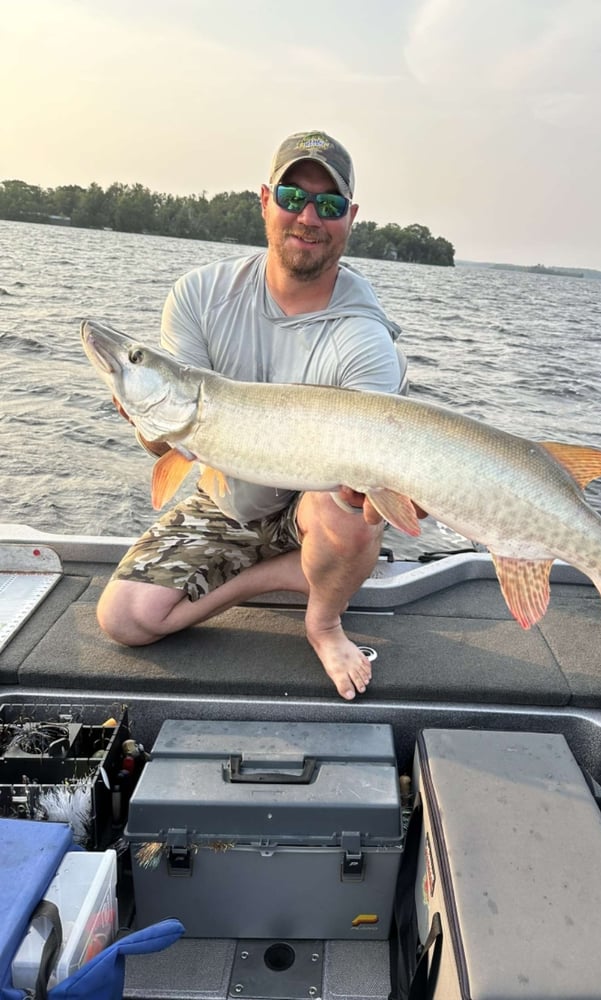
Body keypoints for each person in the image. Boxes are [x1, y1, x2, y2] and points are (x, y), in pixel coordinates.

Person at [97, 129, 411, 701]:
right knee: (127, 619)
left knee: (348, 512)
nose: (309, 216)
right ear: (265, 201)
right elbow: (168, 439)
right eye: (293, 198)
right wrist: (147, 424)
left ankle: (323, 620)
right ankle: (292, 575)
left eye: (330, 205)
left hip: (314, 504)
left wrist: (375, 496)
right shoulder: (199, 295)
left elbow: (373, 490)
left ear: (350, 218)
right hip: (228, 500)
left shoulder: (365, 340)